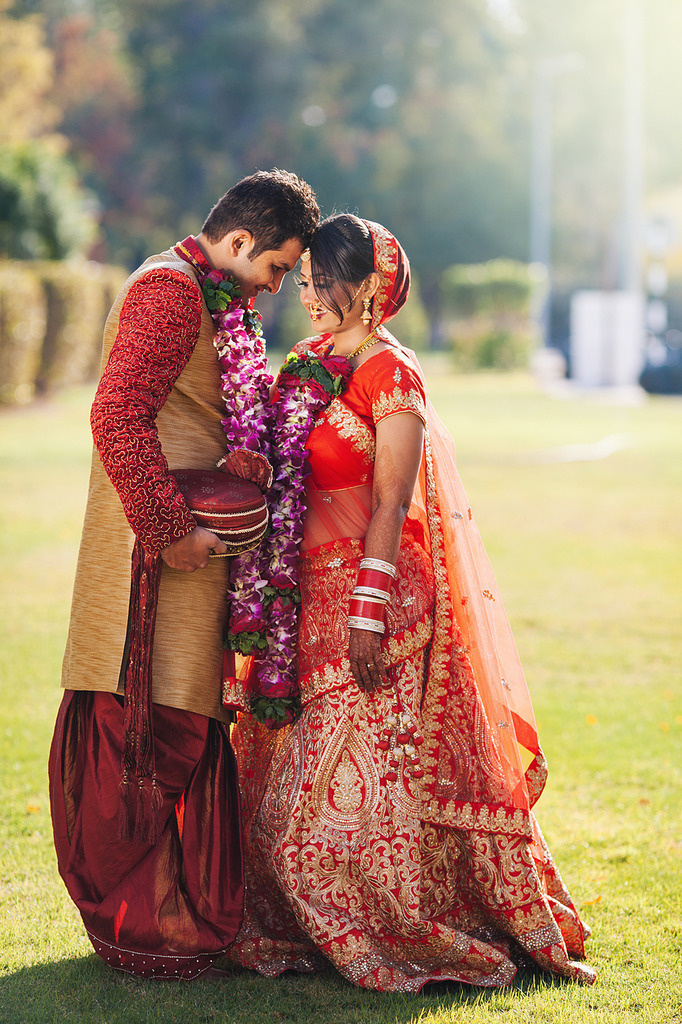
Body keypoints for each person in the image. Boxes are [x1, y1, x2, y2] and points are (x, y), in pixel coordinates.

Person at [226, 214, 596, 991]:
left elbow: (393, 502)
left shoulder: (392, 374)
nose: (309, 292)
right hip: (298, 609)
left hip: (375, 607)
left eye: (324, 279)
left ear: (367, 288)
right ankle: (323, 919)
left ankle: (402, 918)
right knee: (275, 806)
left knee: (330, 819)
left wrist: (366, 610)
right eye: (305, 279)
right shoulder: (299, 362)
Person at [48, 169, 320, 979]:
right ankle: (148, 925)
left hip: (192, 555)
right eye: (274, 267)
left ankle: (179, 917)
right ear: (237, 243)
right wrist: (169, 534)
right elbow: (116, 414)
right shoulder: (171, 294)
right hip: (158, 561)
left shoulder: (209, 296)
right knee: (149, 724)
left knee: (185, 715)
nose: (275, 289)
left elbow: (182, 410)